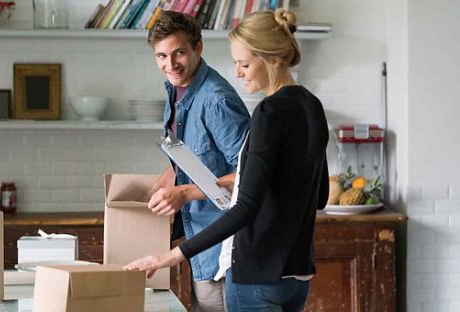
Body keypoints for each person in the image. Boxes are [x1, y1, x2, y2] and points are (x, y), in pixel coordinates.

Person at [126, 8, 330, 312]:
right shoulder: (312, 105)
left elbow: (245, 207)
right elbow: (321, 196)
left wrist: (170, 256)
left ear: (271, 58)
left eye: (244, 63)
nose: (237, 73)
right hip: (296, 275)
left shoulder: (268, 113)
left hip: (255, 276)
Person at [143, 10, 250, 312]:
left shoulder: (216, 100)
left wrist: (186, 192)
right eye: (161, 56)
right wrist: (166, 179)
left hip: (224, 247)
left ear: (198, 47)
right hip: (199, 240)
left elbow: (251, 175)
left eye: (178, 53)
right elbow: (193, 154)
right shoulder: (176, 90)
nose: (170, 64)